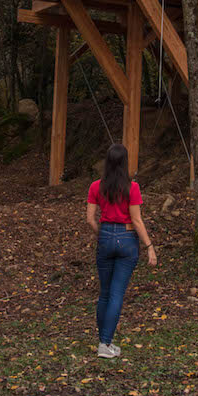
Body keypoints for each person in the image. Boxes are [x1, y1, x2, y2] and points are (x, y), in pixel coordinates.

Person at [86, 143, 157, 359]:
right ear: (125, 162)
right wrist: (149, 247)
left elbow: (89, 219)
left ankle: (104, 342)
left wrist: (103, 233)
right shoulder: (131, 187)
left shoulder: (96, 186)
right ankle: (105, 344)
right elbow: (136, 220)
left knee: (105, 293)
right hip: (127, 240)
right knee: (117, 293)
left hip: (105, 236)